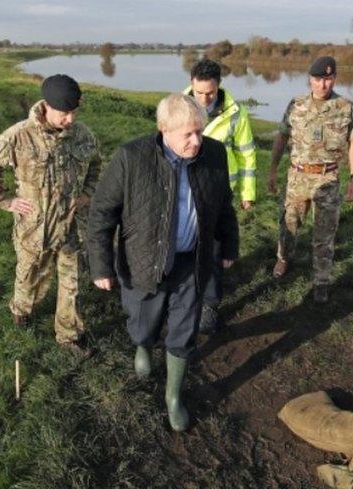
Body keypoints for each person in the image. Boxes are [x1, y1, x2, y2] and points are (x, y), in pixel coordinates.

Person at [87, 93, 239, 431]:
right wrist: (100, 266)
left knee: (185, 331)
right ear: (163, 129)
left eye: (199, 131)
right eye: (187, 134)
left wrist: (229, 244)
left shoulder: (214, 154)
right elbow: (101, 214)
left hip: (193, 261)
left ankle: (173, 397)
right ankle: (142, 345)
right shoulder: (131, 157)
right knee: (144, 322)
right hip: (144, 261)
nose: (197, 141)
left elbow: (223, 205)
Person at [0, 74, 101, 354]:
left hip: (70, 227)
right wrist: (6, 200)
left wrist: (86, 194)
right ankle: (21, 310)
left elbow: (95, 164)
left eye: (74, 112)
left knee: (71, 283)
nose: (70, 119)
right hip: (35, 228)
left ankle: (68, 335)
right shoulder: (17, 137)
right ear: (46, 106)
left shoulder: (83, 135)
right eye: (64, 113)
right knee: (31, 276)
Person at [268, 55, 353, 304]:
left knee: (325, 234)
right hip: (297, 176)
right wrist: (272, 169)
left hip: (327, 177)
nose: (323, 85)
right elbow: (281, 137)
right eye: (318, 79)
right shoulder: (296, 105)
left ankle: (321, 280)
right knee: (289, 223)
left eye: (328, 79)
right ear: (310, 79)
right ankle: (284, 259)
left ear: (334, 79)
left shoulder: (346, 107)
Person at [184, 58, 257, 333]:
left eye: (210, 92)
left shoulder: (236, 114)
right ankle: (184, 296)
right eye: (199, 92)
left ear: (219, 86)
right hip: (186, 189)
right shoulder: (178, 106)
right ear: (192, 84)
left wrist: (248, 193)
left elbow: (247, 154)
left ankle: (209, 305)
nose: (204, 98)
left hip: (218, 193)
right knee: (185, 245)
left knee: (214, 248)